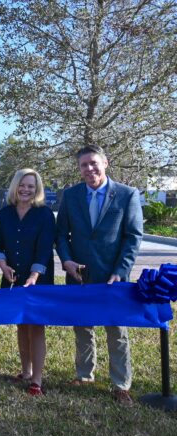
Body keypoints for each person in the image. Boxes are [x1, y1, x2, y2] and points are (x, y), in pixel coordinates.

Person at [56, 144, 143, 405]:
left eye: (94, 163)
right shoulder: (70, 196)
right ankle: (84, 375)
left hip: (112, 277)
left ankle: (121, 384)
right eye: (84, 165)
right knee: (82, 326)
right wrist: (67, 260)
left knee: (116, 331)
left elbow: (133, 237)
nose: (89, 168)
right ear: (79, 169)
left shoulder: (127, 195)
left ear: (105, 163)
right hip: (79, 275)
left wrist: (121, 270)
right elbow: (61, 234)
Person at [0, 169, 55, 396]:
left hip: (38, 280)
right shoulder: (4, 214)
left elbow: (45, 250)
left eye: (31, 186)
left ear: (37, 189)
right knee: (21, 324)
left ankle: (37, 380)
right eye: (22, 185)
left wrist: (33, 276)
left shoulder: (45, 214)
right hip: (12, 278)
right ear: (15, 186)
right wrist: (2, 264)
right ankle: (26, 371)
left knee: (36, 327)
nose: (26, 189)